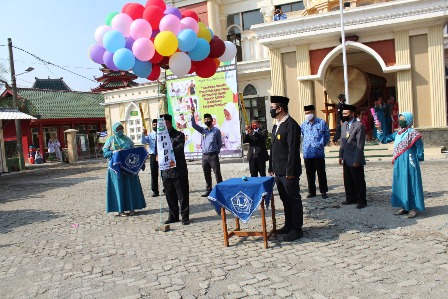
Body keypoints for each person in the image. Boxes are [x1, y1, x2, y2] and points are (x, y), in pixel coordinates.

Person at [268, 95, 303, 242]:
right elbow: (274, 148)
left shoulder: (291, 125)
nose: (271, 110)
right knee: (285, 199)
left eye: (272, 108)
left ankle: (297, 228)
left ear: (280, 108)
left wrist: (290, 172)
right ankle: (288, 225)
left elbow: (293, 151)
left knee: (293, 199)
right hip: (278, 170)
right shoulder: (277, 125)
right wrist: (271, 166)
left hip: (289, 172)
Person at [376, 112, 424, 218]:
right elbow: (384, 139)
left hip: (410, 161)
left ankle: (413, 208)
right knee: (400, 182)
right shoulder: (397, 134)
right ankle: (403, 206)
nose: (400, 120)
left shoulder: (413, 133)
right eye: (400, 118)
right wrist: (379, 129)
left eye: (403, 118)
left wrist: (417, 159)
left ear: (408, 120)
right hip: (399, 162)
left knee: (411, 183)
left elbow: (419, 148)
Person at [103, 122, 146, 217]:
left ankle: (132, 208)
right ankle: (120, 209)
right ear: (114, 130)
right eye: (118, 129)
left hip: (129, 168)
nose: (120, 131)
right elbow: (105, 153)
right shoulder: (111, 140)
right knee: (119, 188)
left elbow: (133, 149)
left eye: (121, 128)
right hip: (116, 168)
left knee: (130, 187)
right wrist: (114, 152)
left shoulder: (127, 139)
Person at [160, 114, 190, 225]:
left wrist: (166, 150)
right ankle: (173, 216)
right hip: (166, 171)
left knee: (182, 195)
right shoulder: (160, 137)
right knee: (170, 195)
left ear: (169, 123)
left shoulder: (179, 135)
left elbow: (178, 149)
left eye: (165, 123)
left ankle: (185, 217)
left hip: (178, 171)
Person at [339, 105, 367, 209]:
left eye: (346, 113)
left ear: (352, 113)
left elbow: (360, 144)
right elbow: (342, 141)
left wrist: (357, 159)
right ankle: (350, 198)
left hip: (355, 157)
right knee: (348, 180)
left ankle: (361, 200)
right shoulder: (344, 125)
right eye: (343, 114)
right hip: (346, 157)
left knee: (358, 180)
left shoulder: (359, 125)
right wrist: (340, 155)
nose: (344, 115)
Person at [191, 107, 223, 197]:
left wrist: (217, 151)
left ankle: (220, 189)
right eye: (205, 119)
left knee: (217, 173)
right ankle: (209, 190)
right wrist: (192, 114)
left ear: (212, 120)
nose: (206, 120)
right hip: (204, 156)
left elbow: (219, 143)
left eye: (208, 119)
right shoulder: (203, 130)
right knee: (206, 174)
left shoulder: (216, 131)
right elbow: (193, 125)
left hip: (213, 155)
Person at [301, 105, 330, 199]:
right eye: (306, 113)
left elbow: (327, 136)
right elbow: (301, 137)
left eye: (309, 113)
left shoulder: (321, 123)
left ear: (313, 112)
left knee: (321, 173)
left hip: (318, 153)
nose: (307, 115)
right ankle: (312, 191)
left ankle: (323, 191)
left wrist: (321, 145)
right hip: (307, 153)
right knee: (310, 174)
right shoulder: (304, 125)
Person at [141, 119, 159, 197]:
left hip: (161, 155)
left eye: (156, 125)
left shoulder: (163, 134)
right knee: (154, 173)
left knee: (164, 173)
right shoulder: (150, 135)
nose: (155, 126)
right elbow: (144, 142)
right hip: (153, 155)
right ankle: (155, 190)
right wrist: (143, 135)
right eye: (154, 125)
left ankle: (166, 188)